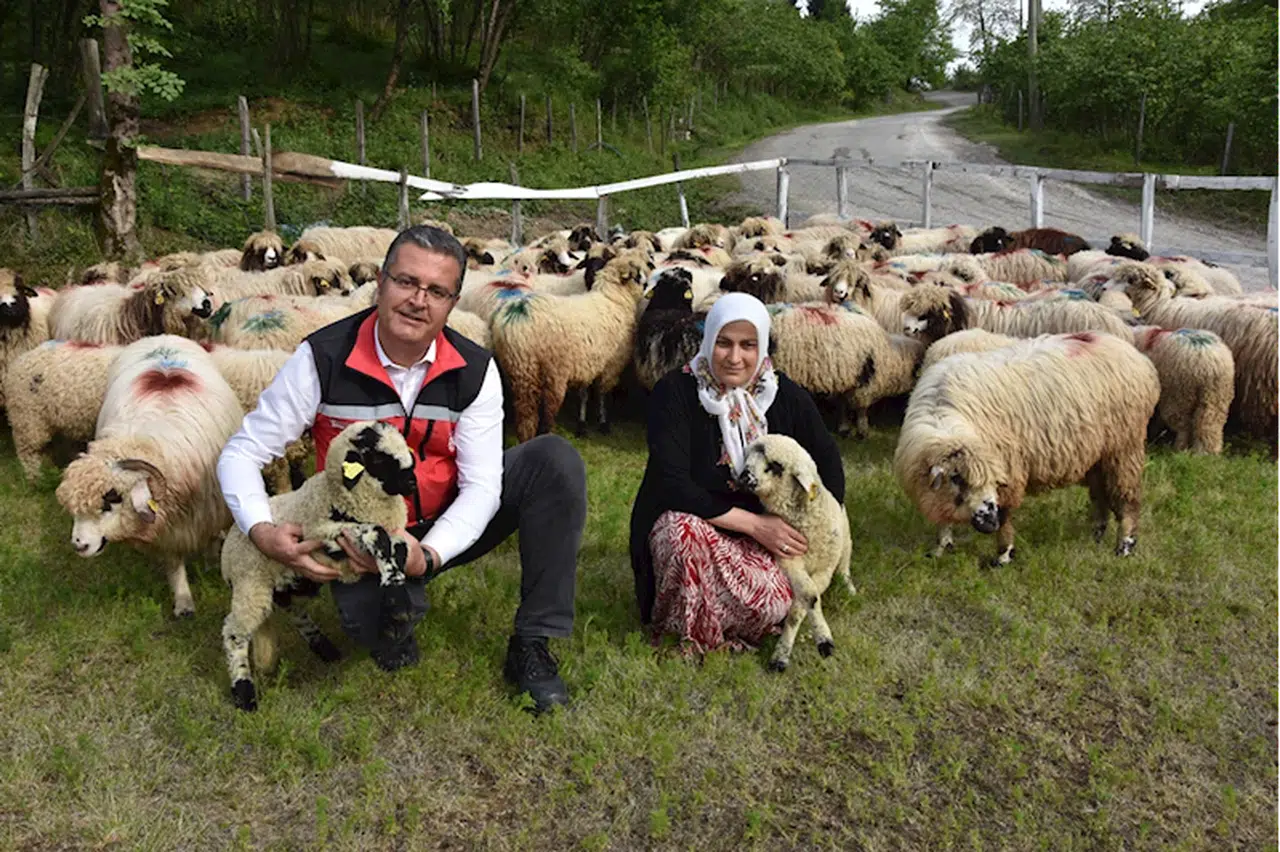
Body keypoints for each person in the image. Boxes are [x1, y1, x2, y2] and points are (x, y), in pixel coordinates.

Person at [217, 225, 586, 713]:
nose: (418, 300)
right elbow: (242, 452)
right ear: (380, 282)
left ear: (454, 302)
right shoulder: (323, 357)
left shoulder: (475, 369)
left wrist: (428, 556)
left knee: (553, 460)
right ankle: (391, 616)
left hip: (443, 519)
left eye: (436, 291)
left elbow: (482, 487)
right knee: (385, 642)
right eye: (406, 282)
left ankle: (533, 642)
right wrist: (261, 531)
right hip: (360, 538)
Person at [628, 292, 845, 653]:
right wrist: (755, 524)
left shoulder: (785, 396)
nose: (735, 357)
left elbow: (829, 469)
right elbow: (672, 483)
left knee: (775, 602)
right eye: (724, 343)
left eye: (748, 345)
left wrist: (810, 528)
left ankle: (720, 610)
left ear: (762, 347)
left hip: (763, 545)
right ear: (709, 340)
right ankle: (694, 629)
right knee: (680, 533)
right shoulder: (676, 393)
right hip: (697, 527)